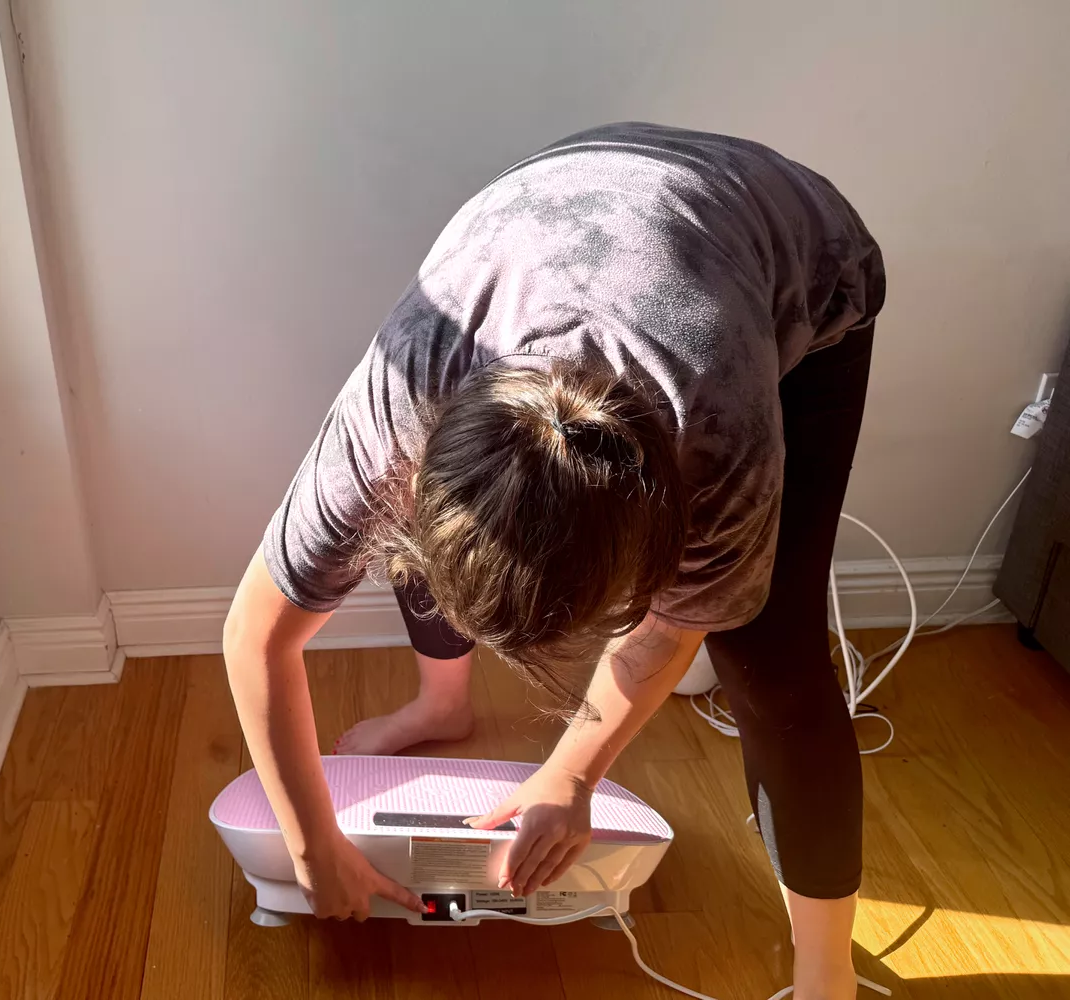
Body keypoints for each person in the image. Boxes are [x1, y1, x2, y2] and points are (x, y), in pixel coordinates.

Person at [223, 122, 883, 1000]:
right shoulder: (399, 400)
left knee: (774, 665)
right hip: (558, 224)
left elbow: (674, 629)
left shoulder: (724, 443)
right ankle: (440, 705)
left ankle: (825, 973)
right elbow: (255, 635)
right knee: (430, 541)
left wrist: (573, 775)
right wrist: (311, 848)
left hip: (796, 250)